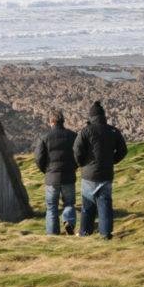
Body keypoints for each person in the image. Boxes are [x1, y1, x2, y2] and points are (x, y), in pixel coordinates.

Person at [73, 100, 127, 239]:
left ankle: (85, 232)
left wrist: (82, 164)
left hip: (88, 176)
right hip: (106, 174)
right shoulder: (113, 131)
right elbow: (123, 150)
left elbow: (77, 150)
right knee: (105, 205)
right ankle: (105, 234)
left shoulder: (85, 131)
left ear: (91, 117)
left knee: (88, 206)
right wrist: (112, 161)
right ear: (103, 116)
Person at [34, 109, 78, 235]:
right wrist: (73, 167)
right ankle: (68, 221)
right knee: (69, 203)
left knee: (52, 207)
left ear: (51, 121)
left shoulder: (44, 138)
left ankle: (52, 235)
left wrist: (46, 171)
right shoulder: (73, 136)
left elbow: (38, 158)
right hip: (68, 177)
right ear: (63, 121)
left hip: (51, 178)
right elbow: (79, 154)